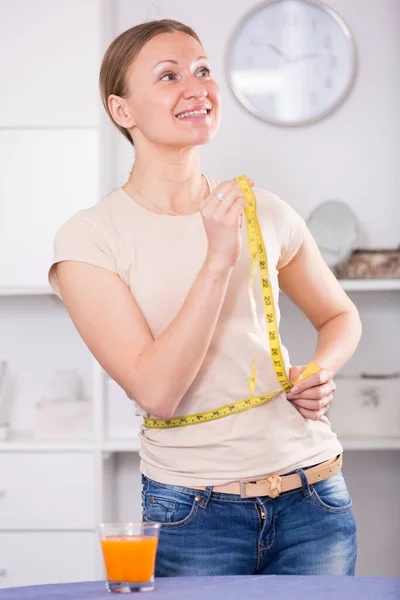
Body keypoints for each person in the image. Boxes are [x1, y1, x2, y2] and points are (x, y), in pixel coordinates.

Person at [48, 19, 362, 577]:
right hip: (193, 514)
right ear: (124, 112)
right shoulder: (90, 238)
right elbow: (157, 393)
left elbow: (339, 315)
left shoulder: (263, 208)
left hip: (315, 497)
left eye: (202, 71)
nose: (196, 88)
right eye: (168, 76)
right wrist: (217, 259)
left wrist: (318, 369)